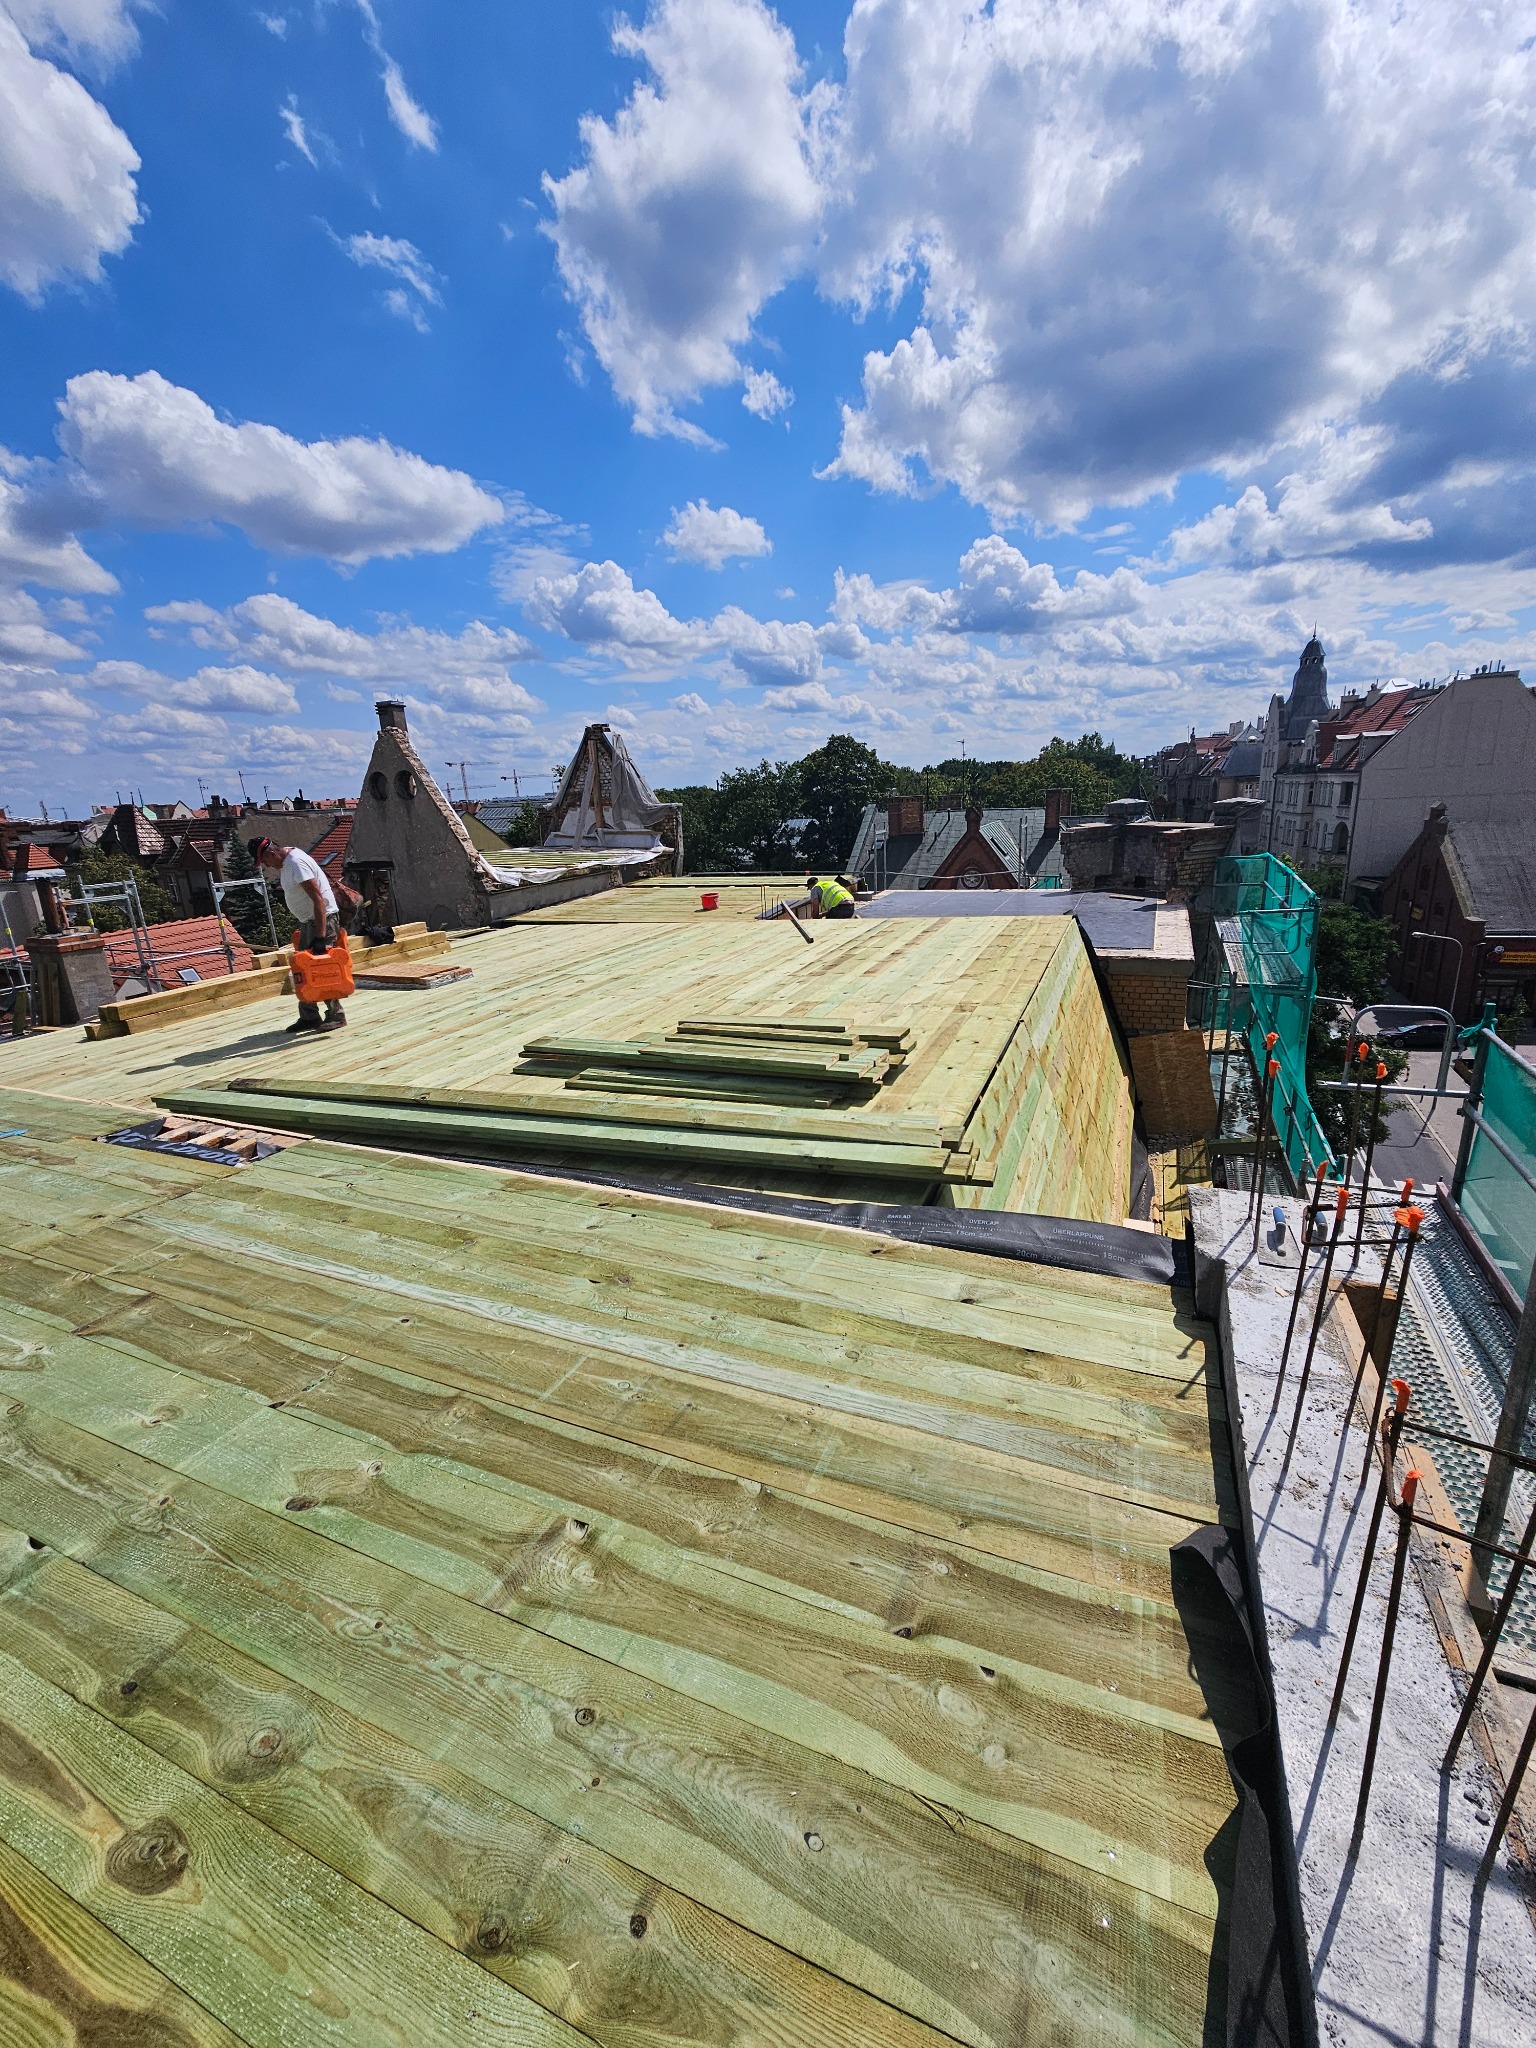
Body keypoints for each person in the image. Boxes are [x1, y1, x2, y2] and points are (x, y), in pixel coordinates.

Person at [251, 835, 347, 1032]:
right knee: (303, 968)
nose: (267, 866)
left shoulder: (296, 863)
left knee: (321, 966)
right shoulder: (288, 863)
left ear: (271, 853)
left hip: (322, 920)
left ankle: (336, 1015)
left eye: (266, 861)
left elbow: (318, 900)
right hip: (309, 921)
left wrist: (320, 937)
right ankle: (309, 1016)